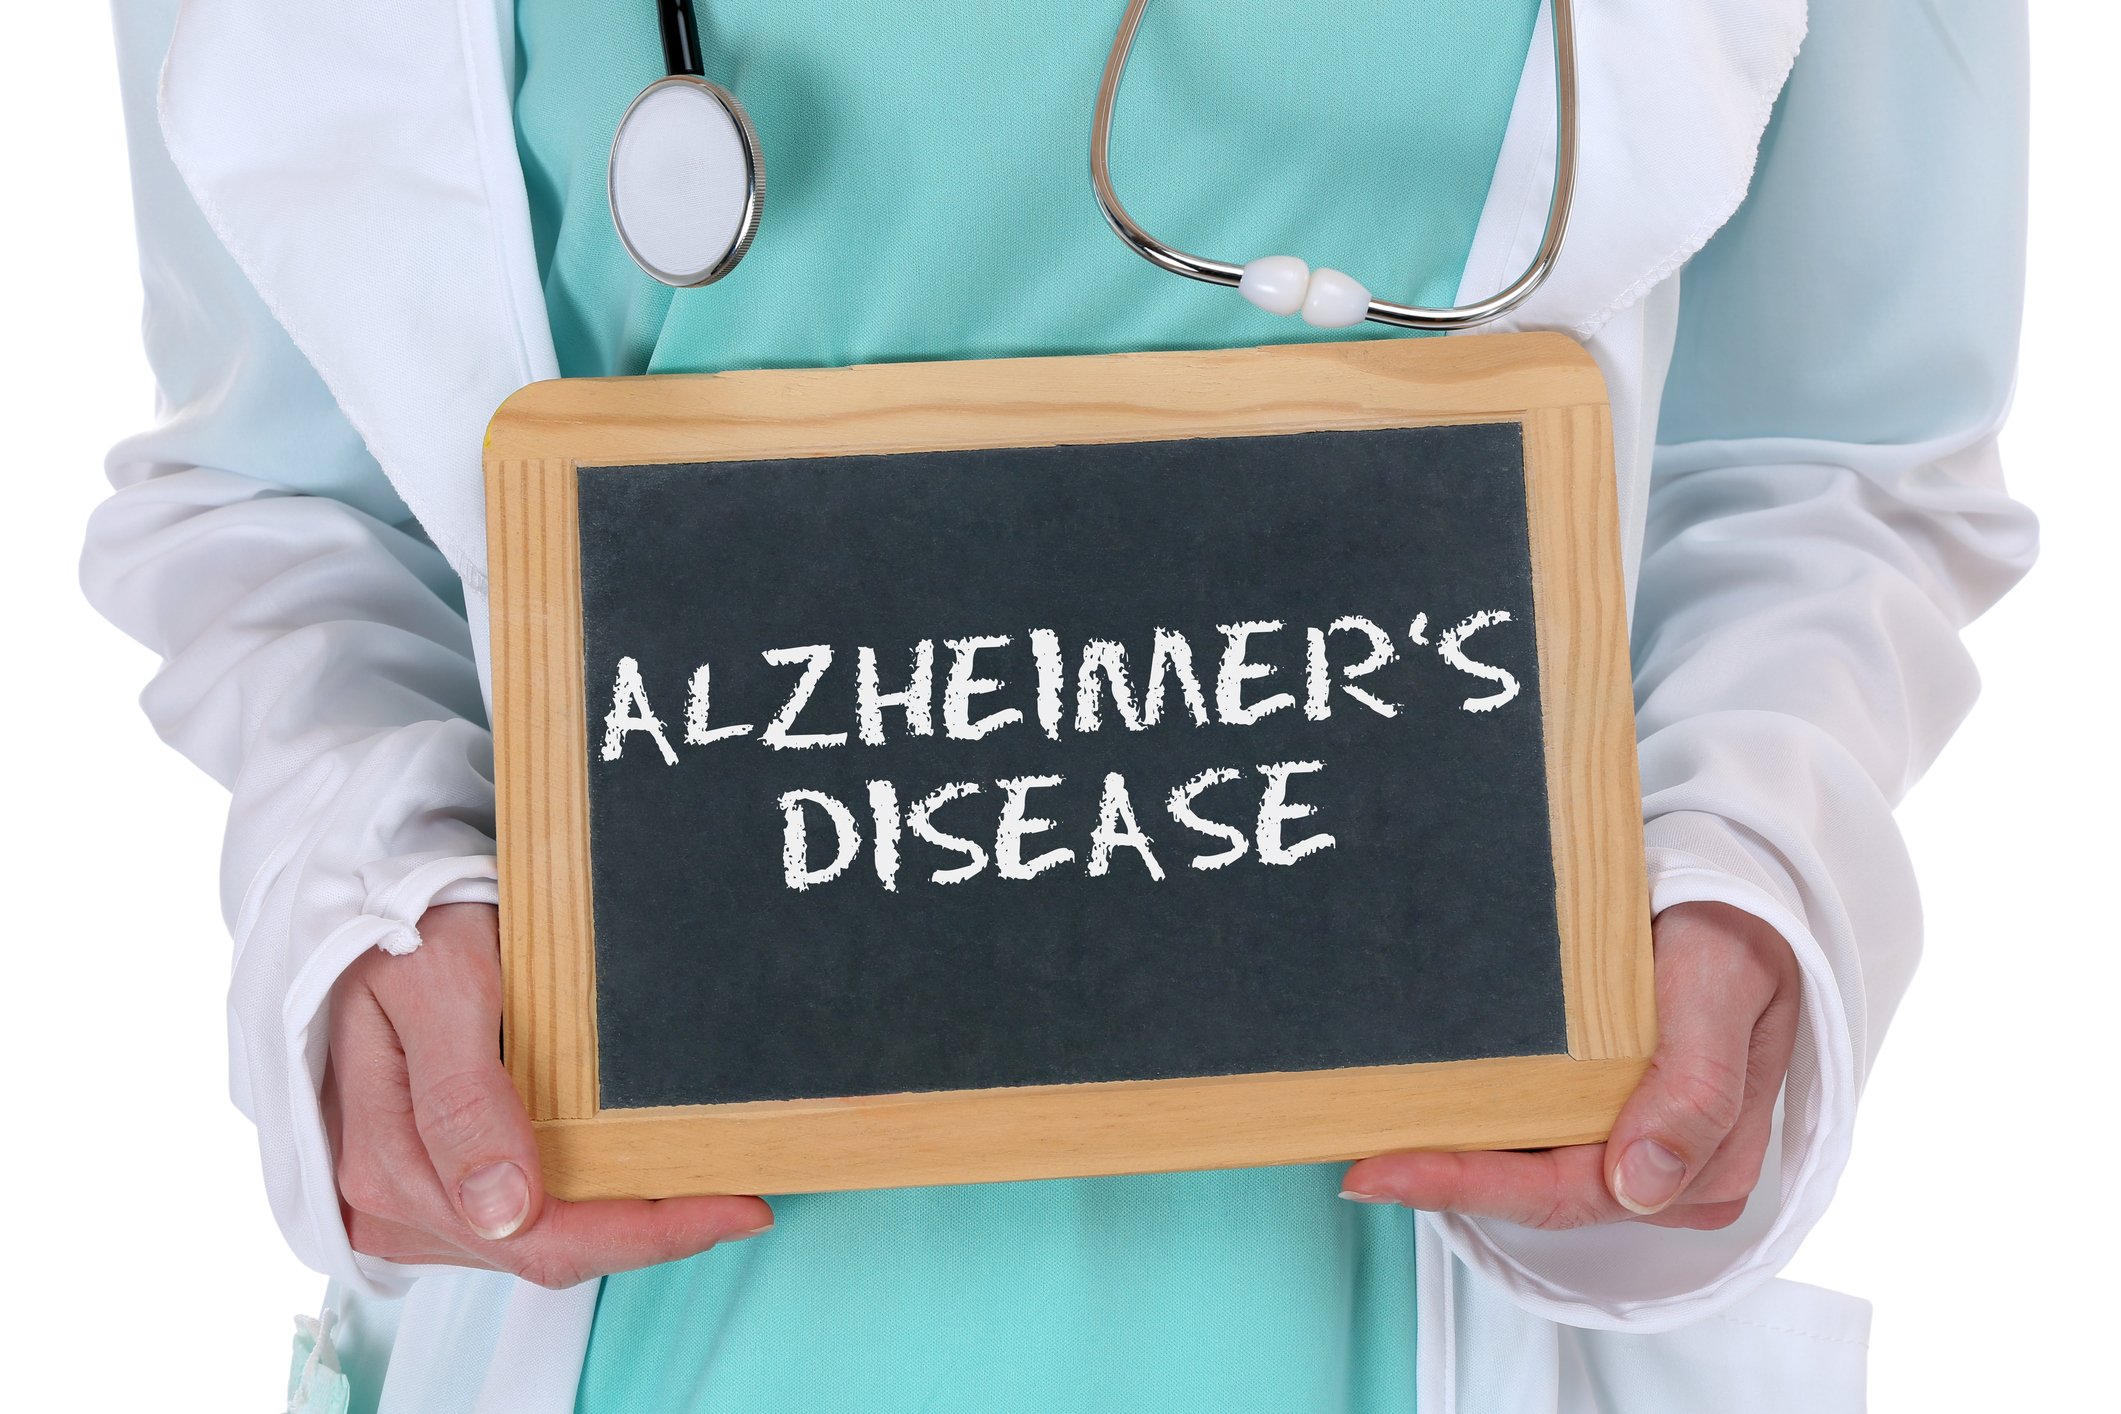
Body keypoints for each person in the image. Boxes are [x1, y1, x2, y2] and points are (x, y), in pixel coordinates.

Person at [82, 1, 2036, 1410]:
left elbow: (1829, 447)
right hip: (661, 1304)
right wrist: (365, 913)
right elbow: (286, 488)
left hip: (1401, 1259)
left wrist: (1737, 884)